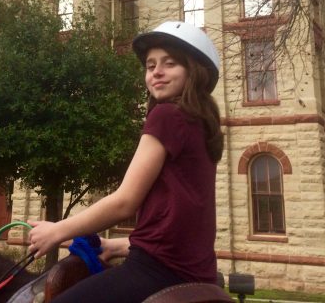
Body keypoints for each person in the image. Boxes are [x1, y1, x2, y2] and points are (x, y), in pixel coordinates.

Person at [27, 21, 224, 303]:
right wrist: (116, 245)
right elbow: (177, 225)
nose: (156, 71)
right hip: (196, 271)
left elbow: (125, 202)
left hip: (157, 270)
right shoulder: (201, 125)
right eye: (150, 65)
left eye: (169, 63)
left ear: (194, 72)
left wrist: (57, 231)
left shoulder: (166, 115)